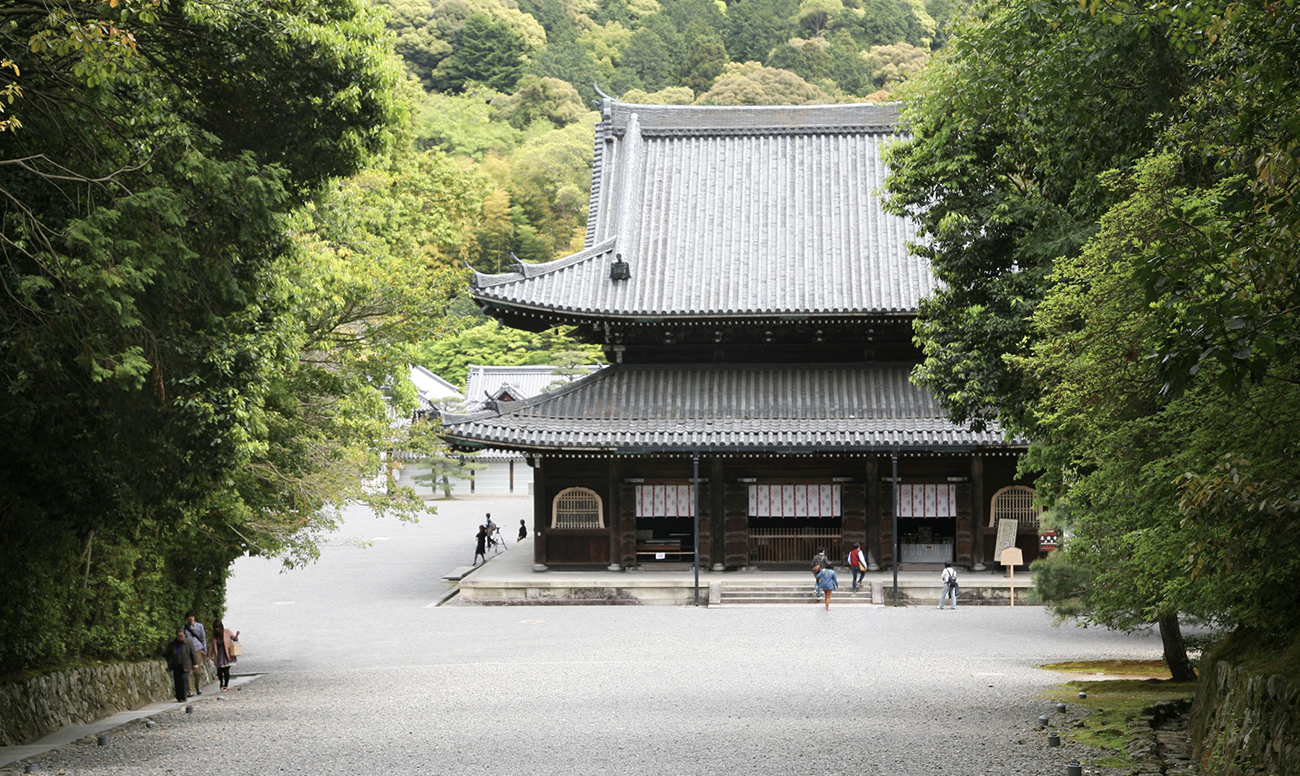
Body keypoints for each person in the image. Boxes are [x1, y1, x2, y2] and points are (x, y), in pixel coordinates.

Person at [167, 628, 199, 703]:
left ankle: (184, 696)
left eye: (182, 636)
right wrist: (169, 665)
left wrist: (195, 664)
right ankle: (179, 697)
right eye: (179, 636)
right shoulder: (173, 643)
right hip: (176, 665)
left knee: (184, 680)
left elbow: (193, 653)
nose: (180, 638)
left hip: (186, 665)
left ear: (184, 635)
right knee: (177, 681)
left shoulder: (188, 642)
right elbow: (169, 655)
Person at [210, 620, 240, 691]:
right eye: (215, 628)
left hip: (227, 654)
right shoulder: (214, 636)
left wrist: (236, 636)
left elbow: (234, 638)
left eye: (218, 627)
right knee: (219, 671)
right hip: (219, 655)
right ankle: (221, 682)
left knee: (226, 670)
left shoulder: (227, 632)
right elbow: (211, 647)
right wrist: (209, 655)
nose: (217, 629)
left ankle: (226, 685)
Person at [184, 610, 207, 696]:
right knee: (189, 670)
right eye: (189, 616)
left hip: (197, 648)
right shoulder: (185, 628)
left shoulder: (200, 626)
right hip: (188, 650)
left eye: (192, 616)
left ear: (194, 617)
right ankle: (190, 690)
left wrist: (205, 650)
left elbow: (203, 638)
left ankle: (197, 686)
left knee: (197, 671)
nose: (190, 618)